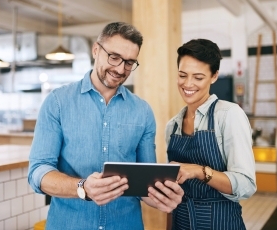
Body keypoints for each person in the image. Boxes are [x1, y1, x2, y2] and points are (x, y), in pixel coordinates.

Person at [28, 22, 183, 230]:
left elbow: (144, 185)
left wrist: (163, 198)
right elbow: (38, 172)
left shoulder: (142, 111)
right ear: (95, 50)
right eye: (114, 57)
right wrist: (82, 187)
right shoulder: (57, 102)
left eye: (129, 62)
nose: (120, 69)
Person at [165, 39, 256, 230]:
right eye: (182, 75)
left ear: (214, 76)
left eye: (198, 77)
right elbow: (171, 191)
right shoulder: (172, 126)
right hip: (179, 222)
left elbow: (246, 185)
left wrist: (199, 171)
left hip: (221, 222)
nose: (188, 84)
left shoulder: (229, 115)